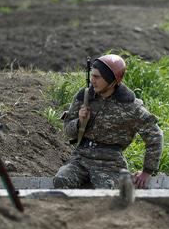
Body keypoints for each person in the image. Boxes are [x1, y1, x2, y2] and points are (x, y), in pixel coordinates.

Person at [53, 54, 163, 189]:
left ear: (112, 80)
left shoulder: (130, 106)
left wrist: (147, 171)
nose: (93, 80)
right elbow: (68, 132)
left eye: (98, 77)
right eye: (92, 75)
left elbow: (155, 136)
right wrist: (80, 122)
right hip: (81, 158)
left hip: (110, 164)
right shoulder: (85, 97)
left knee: (106, 192)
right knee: (61, 180)